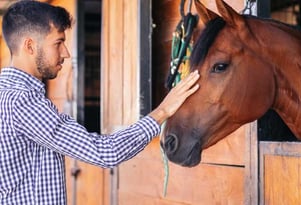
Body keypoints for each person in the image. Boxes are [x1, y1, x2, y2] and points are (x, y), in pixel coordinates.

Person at [0, 1, 199, 204]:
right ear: (30, 46)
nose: (66, 53)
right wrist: (164, 110)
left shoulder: (6, 95)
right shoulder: (23, 102)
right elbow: (105, 152)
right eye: (58, 43)